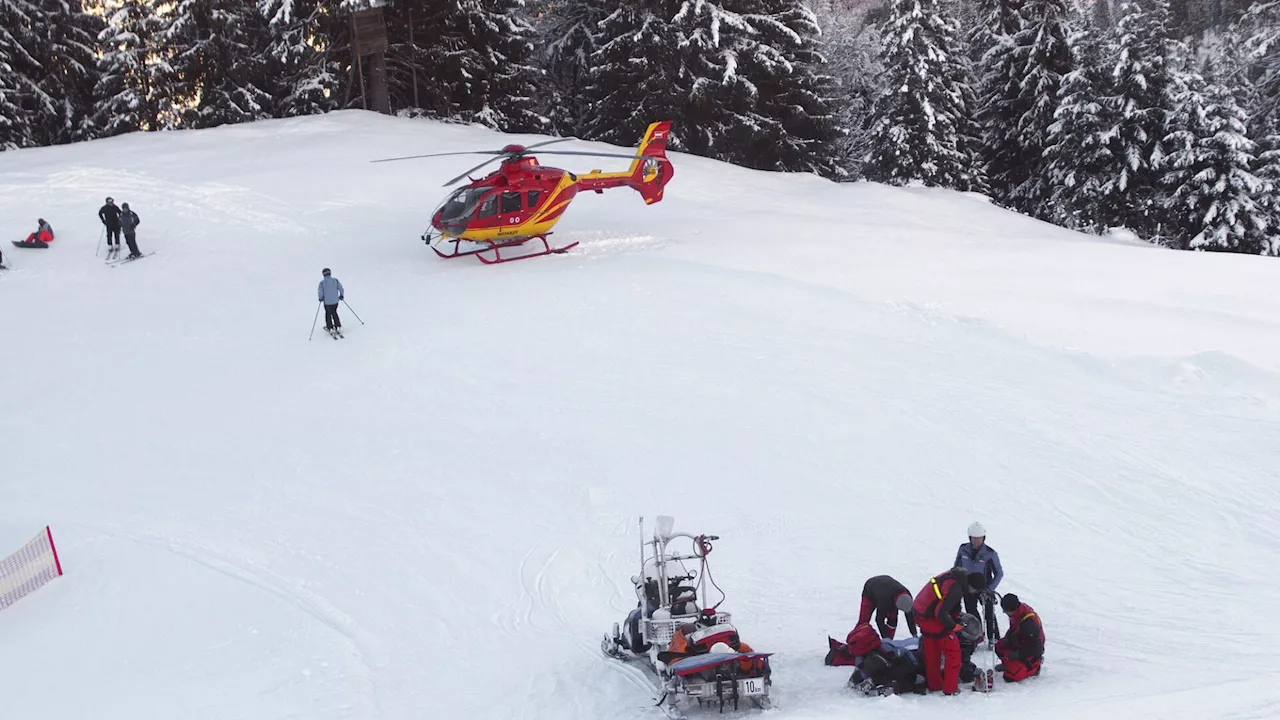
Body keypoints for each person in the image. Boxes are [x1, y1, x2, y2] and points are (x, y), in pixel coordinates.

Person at [911, 567, 980, 695]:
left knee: (932, 650)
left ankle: (935, 685)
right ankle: (950, 688)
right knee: (953, 653)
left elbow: (949, 604)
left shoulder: (955, 578)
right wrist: (953, 626)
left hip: (920, 614)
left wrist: (957, 617)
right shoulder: (956, 588)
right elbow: (941, 613)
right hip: (931, 617)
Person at [954, 521, 1004, 620]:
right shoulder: (963, 549)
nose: (976, 541)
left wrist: (989, 589)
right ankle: (977, 633)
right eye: (974, 538)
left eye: (979, 538)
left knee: (989, 617)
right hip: (968, 588)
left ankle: (992, 635)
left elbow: (999, 573)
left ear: (983, 538)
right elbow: (956, 568)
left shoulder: (990, 553)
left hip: (985, 589)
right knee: (971, 614)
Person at [995, 593, 1044, 682]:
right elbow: (1013, 629)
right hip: (1020, 641)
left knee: (1010, 676)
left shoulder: (1029, 625)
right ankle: (1009, 664)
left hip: (1031, 652)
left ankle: (1034, 668)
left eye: (1005, 610)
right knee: (999, 646)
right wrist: (1007, 639)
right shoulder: (1018, 612)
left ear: (1012, 609)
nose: (1004, 612)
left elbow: (1037, 649)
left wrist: (1018, 654)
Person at [857, 575, 918, 639]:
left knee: (893, 621)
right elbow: (879, 620)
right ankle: (856, 640)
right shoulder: (885, 601)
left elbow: (910, 617)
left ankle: (890, 642)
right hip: (870, 589)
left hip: (889, 591)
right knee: (863, 622)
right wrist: (886, 638)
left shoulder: (907, 596)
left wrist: (914, 634)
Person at [317, 268, 344, 333]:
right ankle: (338, 326)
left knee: (328, 314)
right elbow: (341, 288)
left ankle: (330, 327)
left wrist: (320, 298)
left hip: (327, 302)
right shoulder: (335, 280)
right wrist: (341, 295)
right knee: (334, 312)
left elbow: (320, 291)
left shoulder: (322, 283)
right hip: (335, 301)